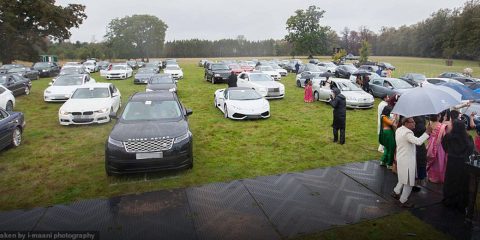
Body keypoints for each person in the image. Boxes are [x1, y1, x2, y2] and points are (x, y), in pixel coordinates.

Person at [391, 117, 430, 208]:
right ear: (406, 123)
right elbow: (418, 141)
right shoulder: (408, 133)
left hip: (401, 158)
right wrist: (427, 133)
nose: (414, 124)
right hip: (407, 161)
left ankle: (396, 191)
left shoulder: (399, 129)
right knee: (408, 182)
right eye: (412, 122)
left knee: (402, 177)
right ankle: (403, 201)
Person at [442, 120, 474, 212]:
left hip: (452, 162)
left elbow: (445, 147)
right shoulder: (468, 137)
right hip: (463, 163)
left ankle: (450, 200)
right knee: (462, 182)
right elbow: (470, 150)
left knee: (451, 181)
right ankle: (461, 202)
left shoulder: (448, 136)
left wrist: (451, 152)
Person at [426, 114, 447, 183]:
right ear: (438, 117)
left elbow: (427, 133)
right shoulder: (441, 126)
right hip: (439, 144)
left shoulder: (429, 123)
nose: (441, 116)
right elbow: (444, 136)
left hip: (431, 142)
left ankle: (431, 176)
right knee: (439, 160)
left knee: (431, 159)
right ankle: (437, 178)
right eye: (440, 116)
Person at [413, 116, 428, 191]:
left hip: (413, 146)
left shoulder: (411, 121)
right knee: (418, 165)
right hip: (419, 147)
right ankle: (415, 183)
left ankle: (413, 183)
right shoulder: (420, 123)